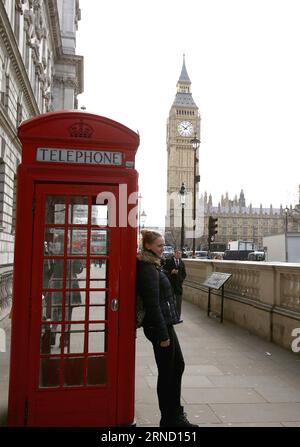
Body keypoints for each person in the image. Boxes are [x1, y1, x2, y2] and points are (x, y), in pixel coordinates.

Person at [136, 230, 198, 427]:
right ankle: (170, 418)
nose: (164, 249)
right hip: (158, 327)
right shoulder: (147, 268)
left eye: (163, 245)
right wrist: (163, 335)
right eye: (160, 246)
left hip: (165, 323)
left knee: (177, 367)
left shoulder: (153, 264)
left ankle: (174, 414)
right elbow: (153, 305)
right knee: (168, 372)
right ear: (147, 246)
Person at [164, 249, 186, 319]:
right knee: (171, 301)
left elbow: (184, 274)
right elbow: (164, 271)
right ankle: (171, 316)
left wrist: (181, 280)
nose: (178, 255)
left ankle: (177, 316)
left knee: (179, 302)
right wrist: (171, 272)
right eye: (177, 253)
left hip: (178, 285)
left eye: (180, 254)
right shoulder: (168, 261)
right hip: (170, 284)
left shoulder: (182, 263)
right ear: (174, 254)